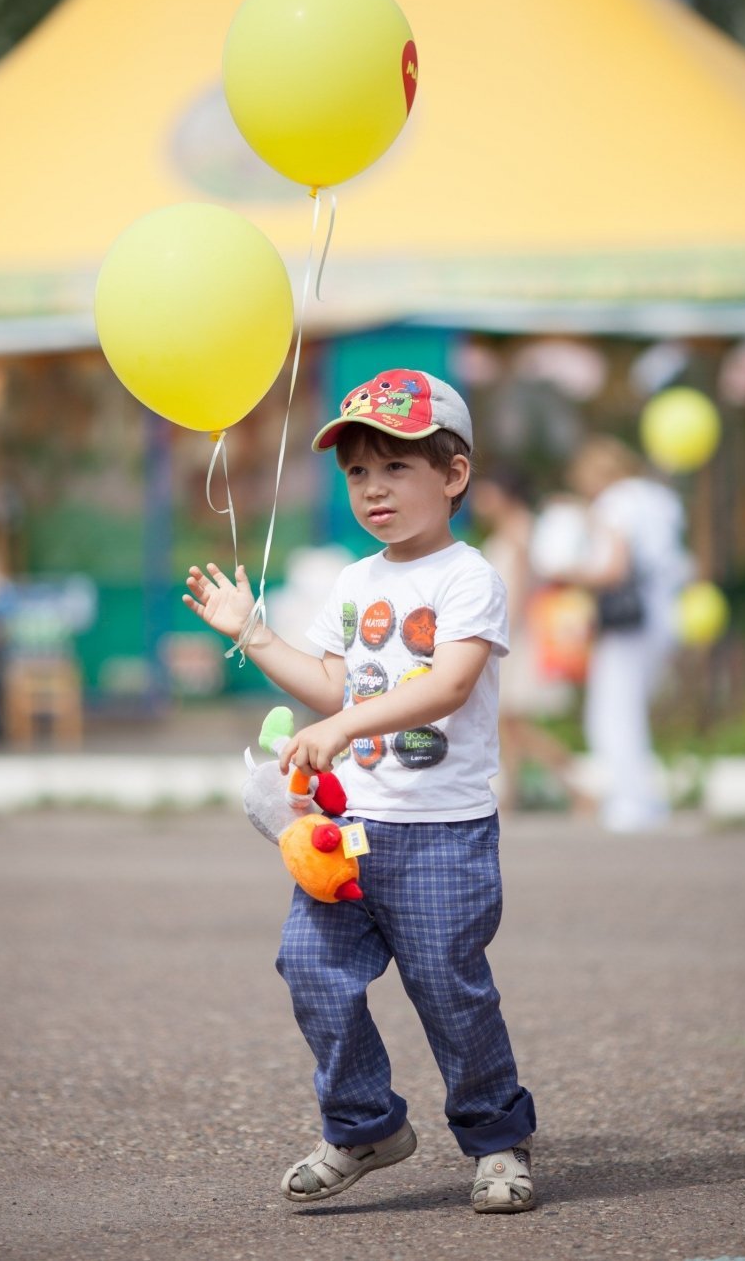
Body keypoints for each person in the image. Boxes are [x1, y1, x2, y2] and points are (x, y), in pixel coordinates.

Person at [184, 368, 536, 1214]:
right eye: (357, 473)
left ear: (453, 476)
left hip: (443, 832)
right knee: (309, 966)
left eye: (396, 467)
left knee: (449, 988)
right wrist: (253, 633)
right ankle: (364, 1124)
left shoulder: (467, 578)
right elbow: (331, 685)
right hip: (350, 831)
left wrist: (345, 727)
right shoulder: (352, 583)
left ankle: (496, 1138)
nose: (373, 489)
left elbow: (449, 686)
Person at [558, 435, 690, 833]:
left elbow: (614, 568)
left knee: (613, 712)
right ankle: (645, 798)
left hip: (629, 619)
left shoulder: (615, 503)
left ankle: (632, 802)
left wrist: (565, 571)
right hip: (667, 612)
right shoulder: (660, 498)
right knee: (632, 708)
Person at [471, 468, 588, 813]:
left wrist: (502, 636)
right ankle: (515, 793)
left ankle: (575, 783)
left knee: (511, 719)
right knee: (508, 721)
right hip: (512, 632)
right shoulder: (517, 529)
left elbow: (520, 589)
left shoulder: (519, 531)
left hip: (515, 635)